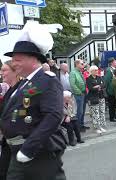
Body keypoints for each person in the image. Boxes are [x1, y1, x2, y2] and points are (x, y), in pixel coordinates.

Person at [1, 21, 66, 179]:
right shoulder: (22, 84)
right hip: (13, 149)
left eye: (18, 59)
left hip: (37, 152)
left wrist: (29, 149)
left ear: (34, 59)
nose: (14, 63)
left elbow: (53, 116)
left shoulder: (47, 80)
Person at [0, 60, 21, 180]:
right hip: (8, 142)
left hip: (18, 144)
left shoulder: (22, 90)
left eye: (4, 70)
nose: (1, 73)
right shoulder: (10, 91)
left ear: (16, 72)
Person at [86, 65, 107, 134]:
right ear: (91, 71)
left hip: (101, 96)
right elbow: (90, 88)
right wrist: (98, 86)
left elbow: (104, 84)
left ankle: (101, 126)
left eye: (97, 70)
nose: (96, 71)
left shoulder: (99, 77)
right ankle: (96, 127)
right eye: (95, 70)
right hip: (93, 98)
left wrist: (98, 86)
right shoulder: (88, 79)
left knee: (102, 112)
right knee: (95, 113)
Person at [69, 59, 87, 131]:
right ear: (77, 64)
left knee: (83, 110)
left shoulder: (80, 72)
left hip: (83, 92)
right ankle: (78, 127)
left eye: (83, 64)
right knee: (79, 111)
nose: (83, 65)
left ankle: (82, 124)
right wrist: (79, 92)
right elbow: (72, 84)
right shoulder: (73, 73)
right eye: (81, 64)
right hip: (78, 94)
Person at [104, 57, 116, 122]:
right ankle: (112, 117)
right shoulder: (109, 70)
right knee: (111, 104)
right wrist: (107, 90)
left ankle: (114, 116)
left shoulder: (114, 69)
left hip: (115, 90)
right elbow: (106, 80)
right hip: (111, 90)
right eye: (115, 61)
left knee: (115, 104)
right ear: (112, 63)